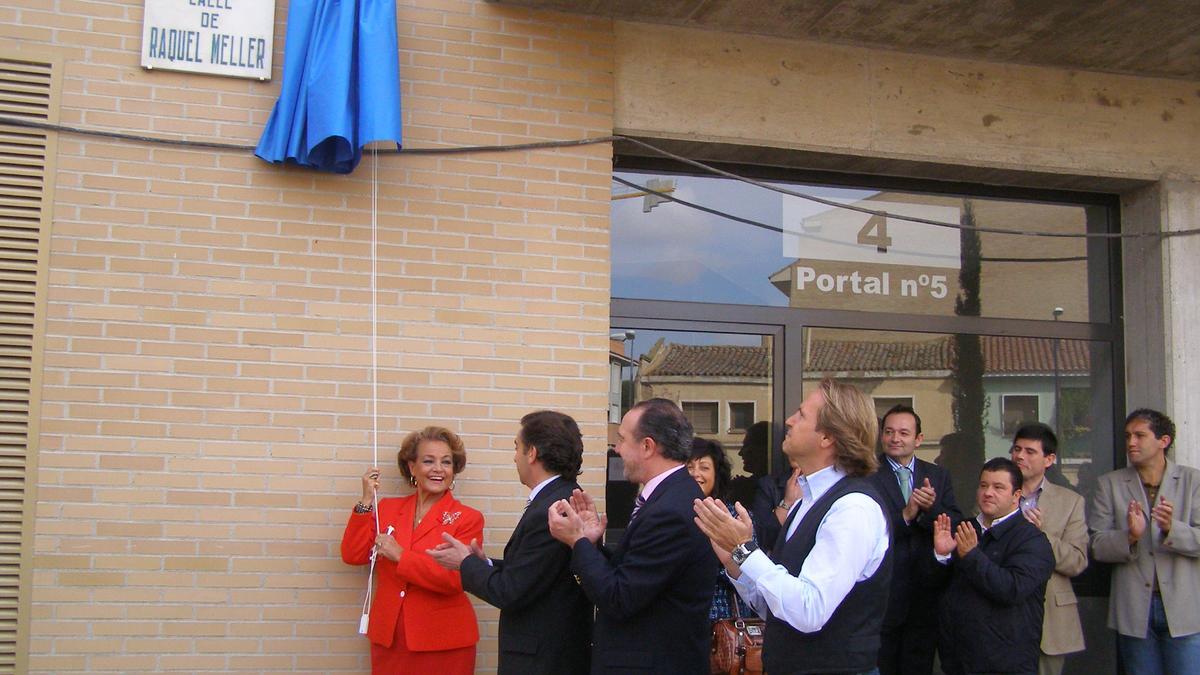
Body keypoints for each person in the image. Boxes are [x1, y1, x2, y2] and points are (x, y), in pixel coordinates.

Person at [694, 378, 892, 675]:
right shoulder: (805, 503)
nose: (788, 420)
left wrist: (745, 550)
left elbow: (809, 610)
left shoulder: (854, 509)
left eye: (801, 415)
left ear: (827, 437)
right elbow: (778, 607)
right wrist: (734, 562)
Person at [548, 398, 717, 674]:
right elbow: (635, 574)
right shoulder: (669, 497)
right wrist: (591, 543)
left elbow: (619, 597)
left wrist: (577, 541)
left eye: (623, 440)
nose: (616, 449)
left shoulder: (670, 510)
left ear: (647, 446)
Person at [426, 410, 592, 674]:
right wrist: (485, 563)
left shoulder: (552, 508)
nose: (514, 456)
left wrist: (465, 563)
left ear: (532, 453)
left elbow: (511, 591)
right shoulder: (560, 497)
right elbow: (534, 572)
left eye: (517, 447)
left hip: (542, 659)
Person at [340, 426, 484, 674]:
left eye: (446, 462)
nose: (438, 469)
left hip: (444, 642)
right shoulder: (387, 508)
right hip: (391, 639)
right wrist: (366, 502)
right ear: (412, 467)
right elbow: (353, 555)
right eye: (428, 461)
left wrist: (400, 556)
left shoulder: (468, 518)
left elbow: (455, 579)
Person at [1090, 408, 1200, 675]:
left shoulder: (1193, 480)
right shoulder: (1110, 484)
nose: (1131, 443)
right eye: (1128, 436)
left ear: (1164, 441)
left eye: (1140, 435)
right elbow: (1096, 544)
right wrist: (1130, 536)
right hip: (1133, 608)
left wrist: (1171, 529)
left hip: (1184, 608)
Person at [932, 457, 1055, 675]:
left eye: (998, 487)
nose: (988, 492)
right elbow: (938, 589)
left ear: (1016, 496)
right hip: (957, 659)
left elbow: (1012, 589)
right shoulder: (964, 528)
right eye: (983, 485)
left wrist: (971, 555)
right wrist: (941, 555)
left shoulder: (1031, 539)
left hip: (1006, 662)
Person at [867, 404, 962, 675]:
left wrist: (931, 509)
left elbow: (954, 522)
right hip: (884, 591)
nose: (895, 438)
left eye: (904, 433)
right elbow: (864, 530)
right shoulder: (867, 475)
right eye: (889, 432)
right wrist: (906, 515)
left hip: (925, 591)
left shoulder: (938, 475)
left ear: (918, 439)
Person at [1009, 422, 1087, 675]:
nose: (1020, 456)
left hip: (1050, 620)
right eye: (1017, 449)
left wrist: (1041, 537)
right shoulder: (995, 493)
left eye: (1030, 451)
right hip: (1003, 617)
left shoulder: (1071, 501)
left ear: (1049, 459)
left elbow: (1077, 561)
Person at [686, 436, 752, 621]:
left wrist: (728, 563)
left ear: (717, 474)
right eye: (689, 467)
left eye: (704, 467)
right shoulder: (671, 515)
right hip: (679, 622)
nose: (695, 474)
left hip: (722, 621)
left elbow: (752, 572)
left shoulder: (734, 517)